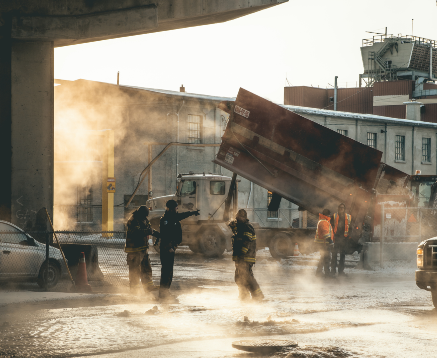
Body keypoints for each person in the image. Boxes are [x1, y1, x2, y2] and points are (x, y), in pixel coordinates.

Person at [159, 199, 199, 302]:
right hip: (167, 249)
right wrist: (169, 247)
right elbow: (165, 235)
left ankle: (166, 292)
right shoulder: (165, 220)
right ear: (172, 209)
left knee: (169, 271)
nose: (177, 210)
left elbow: (182, 215)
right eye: (176, 208)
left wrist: (193, 213)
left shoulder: (172, 217)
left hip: (171, 248)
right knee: (166, 272)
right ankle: (163, 294)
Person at [228, 209, 264, 301]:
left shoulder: (247, 227)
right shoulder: (241, 227)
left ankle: (257, 296)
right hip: (240, 258)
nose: (237, 218)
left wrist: (241, 255)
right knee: (238, 278)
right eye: (237, 217)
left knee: (247, 278)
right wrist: (233, 228)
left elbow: (246, 242)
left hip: (246, 258)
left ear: (243, 217)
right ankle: (244, 295)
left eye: (239, 217)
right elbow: (237, 236)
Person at [125, 205, 160, 295]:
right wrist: (148, 231)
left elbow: (149, 229)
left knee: (146, 269)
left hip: (143, 250)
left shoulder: (143, 219)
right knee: (134, 271)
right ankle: (134, 291)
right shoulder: (133, 220)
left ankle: (148, 287)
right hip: (134, 251)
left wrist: (159, 234)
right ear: (141, 214)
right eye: (145, 215)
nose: (146, 217)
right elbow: (137, 233)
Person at [331, 203, 351, 276]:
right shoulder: (334, 216)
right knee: (334, 255)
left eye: (343, 207)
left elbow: (350, 227)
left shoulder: (348, 217)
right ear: (338, 208)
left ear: (344, 208)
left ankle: (340, 271)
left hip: (343, 238)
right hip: (336, 238)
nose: (341, 208)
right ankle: (333, 271)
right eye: (340, 207)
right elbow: (331, 226)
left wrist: (348, 236)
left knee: (342, 255)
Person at [314, 208, 334, 277]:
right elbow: (325, 232)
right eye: (329, 214)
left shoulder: (323, 221)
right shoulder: (324, 221)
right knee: (327, 258)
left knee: (323, 258)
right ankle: (327, 273)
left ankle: (319, 272)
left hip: (323, 243)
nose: (330, 216)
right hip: (324, 244)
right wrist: (330, 240)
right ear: (327, 214)